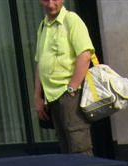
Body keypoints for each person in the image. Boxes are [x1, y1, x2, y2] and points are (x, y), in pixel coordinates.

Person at [33, 0, 94, 155]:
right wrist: (37, 96)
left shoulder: (71, 20)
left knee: (79, 146)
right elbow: (40, 63)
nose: (51, 4)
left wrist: (72, 88)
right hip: (52, 97)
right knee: (65, 146)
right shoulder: (43, 26)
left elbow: (85, 55)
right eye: (46, 0)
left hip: (69, 95)